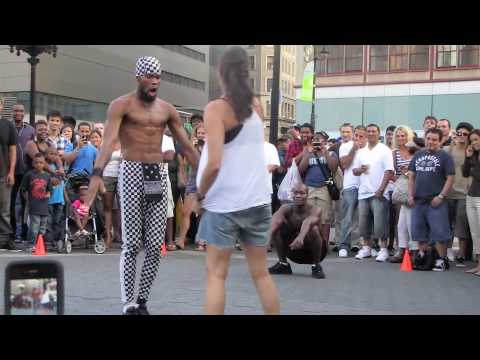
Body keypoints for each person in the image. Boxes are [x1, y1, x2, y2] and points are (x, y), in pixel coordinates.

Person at [85, 56, 198, 315]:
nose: (155, 81)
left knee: (156, 245)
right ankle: (128, 303)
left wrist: (205, 175)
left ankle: (143, 301)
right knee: (132, 243)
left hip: (157, 173)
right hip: (131, 170)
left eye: (158, 77)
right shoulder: (121, 105)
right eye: (150, 76)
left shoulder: (167, 109)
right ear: (139, 77)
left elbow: (187, 146)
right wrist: (96, 176)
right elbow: (107, 143)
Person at [196, 46, 279, 315]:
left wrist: (198, 194)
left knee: (216, 275)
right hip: (257, 200)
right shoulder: (256, 105)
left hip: (224, 204)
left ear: (221, 72)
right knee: (261, 274)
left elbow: (215, 162)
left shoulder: (216, 109)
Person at [408, 128, 455, 272]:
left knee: (439, 232)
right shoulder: (418, 155)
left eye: (434, 139)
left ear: (440, 141)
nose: (431, 142)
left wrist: (441, 196)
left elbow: (450, 178)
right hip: (419, 200)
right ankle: (423, 256)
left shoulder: (445, 156)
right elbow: (411, 177)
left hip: (436, 201)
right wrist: (410, 195)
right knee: (419, 231)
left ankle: (442, 260)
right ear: (425, 139)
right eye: (428, 138)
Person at [353, 124, 395, 262]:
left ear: (378, 133)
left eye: (373, 131)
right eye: (369, 131)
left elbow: (389, 171)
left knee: (380, 223)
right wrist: (360, 170)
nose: (371, 133)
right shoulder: (361, 151)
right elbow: (355, 171)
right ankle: (366, 248)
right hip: (364, 192)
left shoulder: (384, 150)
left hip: (379, 192)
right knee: (363, 222)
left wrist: (381, 189)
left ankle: (383, 249)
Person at [268, 183, 327, 278]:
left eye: (302, 193)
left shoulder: (315, 210)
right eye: (295, 193)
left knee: (314, 229)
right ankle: (283, 264)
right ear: (292, 195)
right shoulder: (286, 208)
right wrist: (267, 239)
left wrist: (300, 238)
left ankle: (316, 266)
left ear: (308, 195)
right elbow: (276, 221)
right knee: (277, 228)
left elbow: (307, 222)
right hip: (293, 250)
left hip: (314, 253)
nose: (298, 196)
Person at [297, 129, 338, 245]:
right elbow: (301, 169)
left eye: (320, 139)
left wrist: (325, 153)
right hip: (309, 188)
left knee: (325, 218)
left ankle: (324, 244)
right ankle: (308, 243)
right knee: (307, 217)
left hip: (324, 188)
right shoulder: (308, 152)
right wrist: (308, 154)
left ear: (325, 141)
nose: (317, 141)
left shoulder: (331, 153)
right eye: (315, 139)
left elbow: (333, 168)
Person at [444, 122, 473, 266]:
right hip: (449, 192)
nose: (461, 136)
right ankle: (449, 250)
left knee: (461, 224)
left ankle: (461, 254)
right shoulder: (448, 149)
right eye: (459, 133)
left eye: (465, 134)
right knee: (448, 223)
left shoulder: (472, 150)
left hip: (464, 193)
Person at [388, 126, 417, 263]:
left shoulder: (416, 151)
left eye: (403, 135)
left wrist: (408, 174)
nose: (401, 138)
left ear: (409, 136)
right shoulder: (394, 153)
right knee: (401, 222)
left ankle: (414, 250)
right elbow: (390, 173)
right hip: (401, 190)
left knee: (412, 222)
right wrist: (401, 180)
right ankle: (401, 249)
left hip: (415, 188)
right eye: (398, 136)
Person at [337, 125, 367, 257]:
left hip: (366, 186)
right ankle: (343, 245)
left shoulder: (371, 148)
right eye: (356, 135)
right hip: (350, 185)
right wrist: (354, 148)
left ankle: (357, 244)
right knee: (347, 217)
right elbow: (344, 165)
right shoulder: (346, 146)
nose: (358, 138)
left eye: (362, 136)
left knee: (361, 218)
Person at [176, 124, 205, 251]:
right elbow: (187, 163)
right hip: (193, 180)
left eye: (204, 133)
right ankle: (181, 240)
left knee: (205, 213)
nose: (201, 135)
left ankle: (202, 241)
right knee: (185, 212)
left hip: (207, 181)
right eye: (199, 133)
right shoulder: (192, 147)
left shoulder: (211, 146)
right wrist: (192, 148)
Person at [10, 103, 34, 243]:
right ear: (12, 112)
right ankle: (12, 233)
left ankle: (25, 233)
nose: (18, 113)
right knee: (12, 204)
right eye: (16, 111)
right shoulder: (7, 127)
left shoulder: (31, 130)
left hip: (27, 171)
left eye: (21, 111)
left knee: (27, 204)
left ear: (24, 113)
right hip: (12, 172)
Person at [19, 153, 53, 252]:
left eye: (41, 162)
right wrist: (27, 199)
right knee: (34, 227)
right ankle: (31, 244)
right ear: (33, 164)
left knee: (43, 228)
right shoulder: (29, 174)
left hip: (44, 206)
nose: (39, 164)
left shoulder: (47, 176)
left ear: (44, 163)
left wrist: (48, 194)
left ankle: (40, 244)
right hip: (34, 206)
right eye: (36, 162)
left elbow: (50, 189)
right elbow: (23, 189)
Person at [0, 97, 18, 250]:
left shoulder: (8, 126)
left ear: (1, 107)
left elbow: (13, 149)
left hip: (3, 173)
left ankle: (5, 238)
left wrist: (11, 171)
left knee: (4, 208)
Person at [463, 129, 480, 276]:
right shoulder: (473, 156)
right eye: (472, 140)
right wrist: (468, 158)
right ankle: (478, 265)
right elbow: (464, 173)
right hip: (471, 197)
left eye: (476, 139)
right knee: (475, 233)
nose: (474, 143)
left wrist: (473, 162)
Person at [102, 141, 122, 249]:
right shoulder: (107, 142)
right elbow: (101, 161)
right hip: (107, 176)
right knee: (107, 207)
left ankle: (124, 237)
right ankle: (108, 237)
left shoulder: (125, 142)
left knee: (123, 207)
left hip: (122, 176)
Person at [45, 148, 65, 252]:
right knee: (48, 222)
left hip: (59, 200)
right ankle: (48, 242)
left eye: (55, 154)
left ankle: (58, 241)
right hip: (49, 201)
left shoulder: (60, 169)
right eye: (50, 153)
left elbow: (63, 185)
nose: (53, 156)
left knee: (58, 221)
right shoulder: (46, 169)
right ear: (46, 155)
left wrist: (65, 199)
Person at [272, 136, 288, 213]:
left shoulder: (285, 153)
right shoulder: (279, 153)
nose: (289, 144)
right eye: (287, 142)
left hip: (280, 182)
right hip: (278, 182)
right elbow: (280, 170)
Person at [264, 139, 281, 213]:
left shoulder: (270, 147)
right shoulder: (244, 147)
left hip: (264, 191)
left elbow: (274, 164)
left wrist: (256, 171)